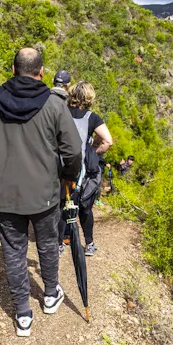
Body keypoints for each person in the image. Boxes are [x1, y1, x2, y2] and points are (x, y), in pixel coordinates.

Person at [0, 48, 82, 337]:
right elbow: (74, 151)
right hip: (45, 193)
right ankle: (51, 294)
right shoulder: (55, 104)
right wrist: (67, 177)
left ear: (13, 69)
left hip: (5, 193)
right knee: (47, 244)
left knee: (14, 252)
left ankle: (22, 314)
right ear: (41, 72)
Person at [58, 81, 113, 257]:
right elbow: (107, 141)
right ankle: (88, 244)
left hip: (58, 164)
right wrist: (93, 153)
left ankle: (59, 242)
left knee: (60, 204)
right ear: (89, 98)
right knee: (84, 207)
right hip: (80, 168)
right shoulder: (92, 118)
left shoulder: (61, 111)